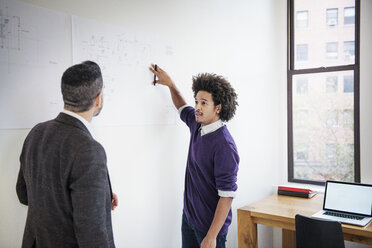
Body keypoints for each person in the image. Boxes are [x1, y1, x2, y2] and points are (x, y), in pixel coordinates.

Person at [16, 61, 118, 248]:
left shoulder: (36, 132)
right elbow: (92, 235)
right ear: (98, 99)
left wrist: (99, 196)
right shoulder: (90, 150)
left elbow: (24, 194)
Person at [149, 65, 239, 248]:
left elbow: (227, 196)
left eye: (204, 103)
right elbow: (182, 106)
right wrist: (171, 85)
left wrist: (212, 237)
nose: (197, 107)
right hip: (189, 219)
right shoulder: (197, 125)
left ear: (218, 108)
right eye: (197, 101)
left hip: (209, 228)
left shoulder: (224, 146)